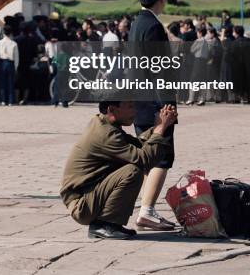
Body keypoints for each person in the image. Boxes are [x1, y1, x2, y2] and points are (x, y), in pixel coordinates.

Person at [60, 101, 177, 240]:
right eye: (130, 106)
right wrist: (159, 129)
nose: (134, 112)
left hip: (89, 196)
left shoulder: (104, 124)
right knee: (132, 170)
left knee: (132, 166)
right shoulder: (105, 134)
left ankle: (108, 223)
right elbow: (145, 160)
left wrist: (159, 127)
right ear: (112, 109)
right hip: (82, 206)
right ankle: (103, 225)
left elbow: (138, 145)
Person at [128, 0, 177, 231]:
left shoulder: (136, 23)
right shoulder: (154, 26)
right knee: (162, 158)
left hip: (139, 101)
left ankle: (146, 207)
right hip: (155, 104)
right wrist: (169, 105)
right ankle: (147, 211)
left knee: (149, 156)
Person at [229, 25, 250, 104]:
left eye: (233, 31)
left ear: (236, 33)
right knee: (249, 82)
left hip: (238, 65)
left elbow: (230, 55)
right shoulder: (248, 40)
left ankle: (242, 99)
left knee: (240, 81)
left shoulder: (233, 43)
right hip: (248, 63)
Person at [0, 25, 19, 106]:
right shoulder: (14, 43)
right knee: (11, 82)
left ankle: (3, 100)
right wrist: (16, 67)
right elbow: (16, 57)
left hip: (2, 62)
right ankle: (11, 101)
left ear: (3, 32)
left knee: (2, 82)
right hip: (11, 63)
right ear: (11, 33)